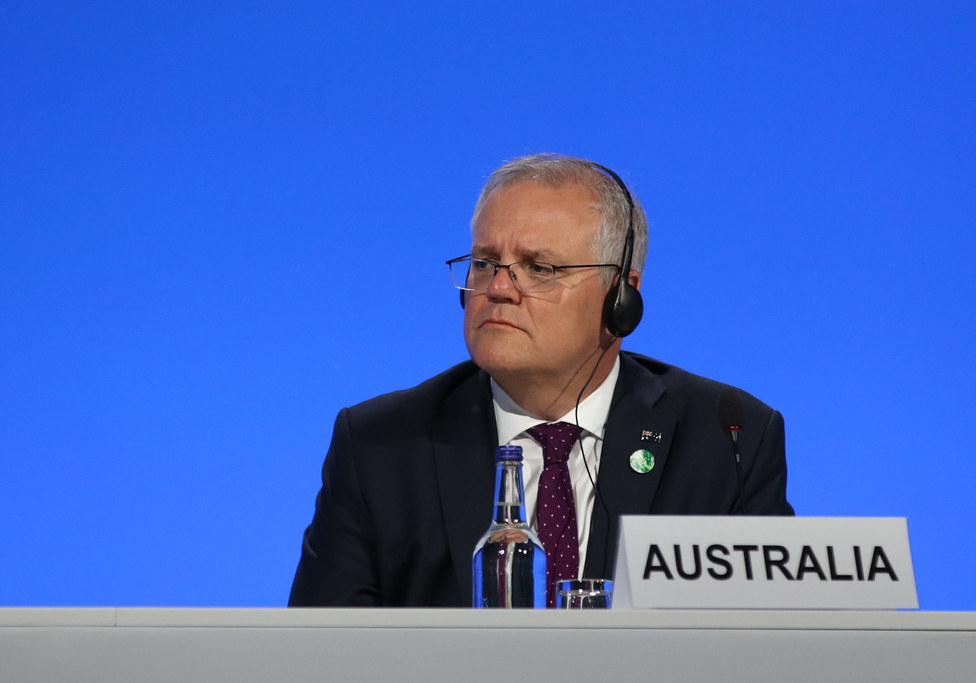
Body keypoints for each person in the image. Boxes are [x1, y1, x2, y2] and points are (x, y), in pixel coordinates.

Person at [288, 153, 793, 607]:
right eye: (485, 262)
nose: (500, 288)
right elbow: (316, 657)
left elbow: (771, 644)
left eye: (539, 267)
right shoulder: (382, 444)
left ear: (621, 294)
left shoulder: (725, 436)